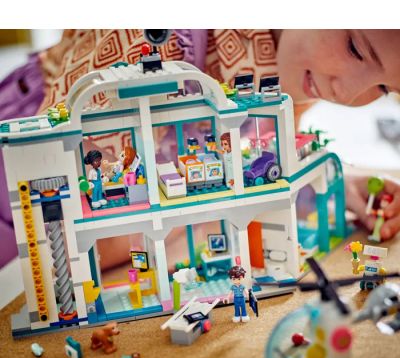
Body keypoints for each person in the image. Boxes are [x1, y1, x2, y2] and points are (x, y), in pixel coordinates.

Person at [1, 29, 400, 269]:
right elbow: (80, 240)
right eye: (355, 48)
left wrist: (330, 178)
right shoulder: (154, 40)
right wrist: (213, 207)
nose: (348, 92)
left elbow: (267, 154)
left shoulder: (296, 67)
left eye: (383, 88)